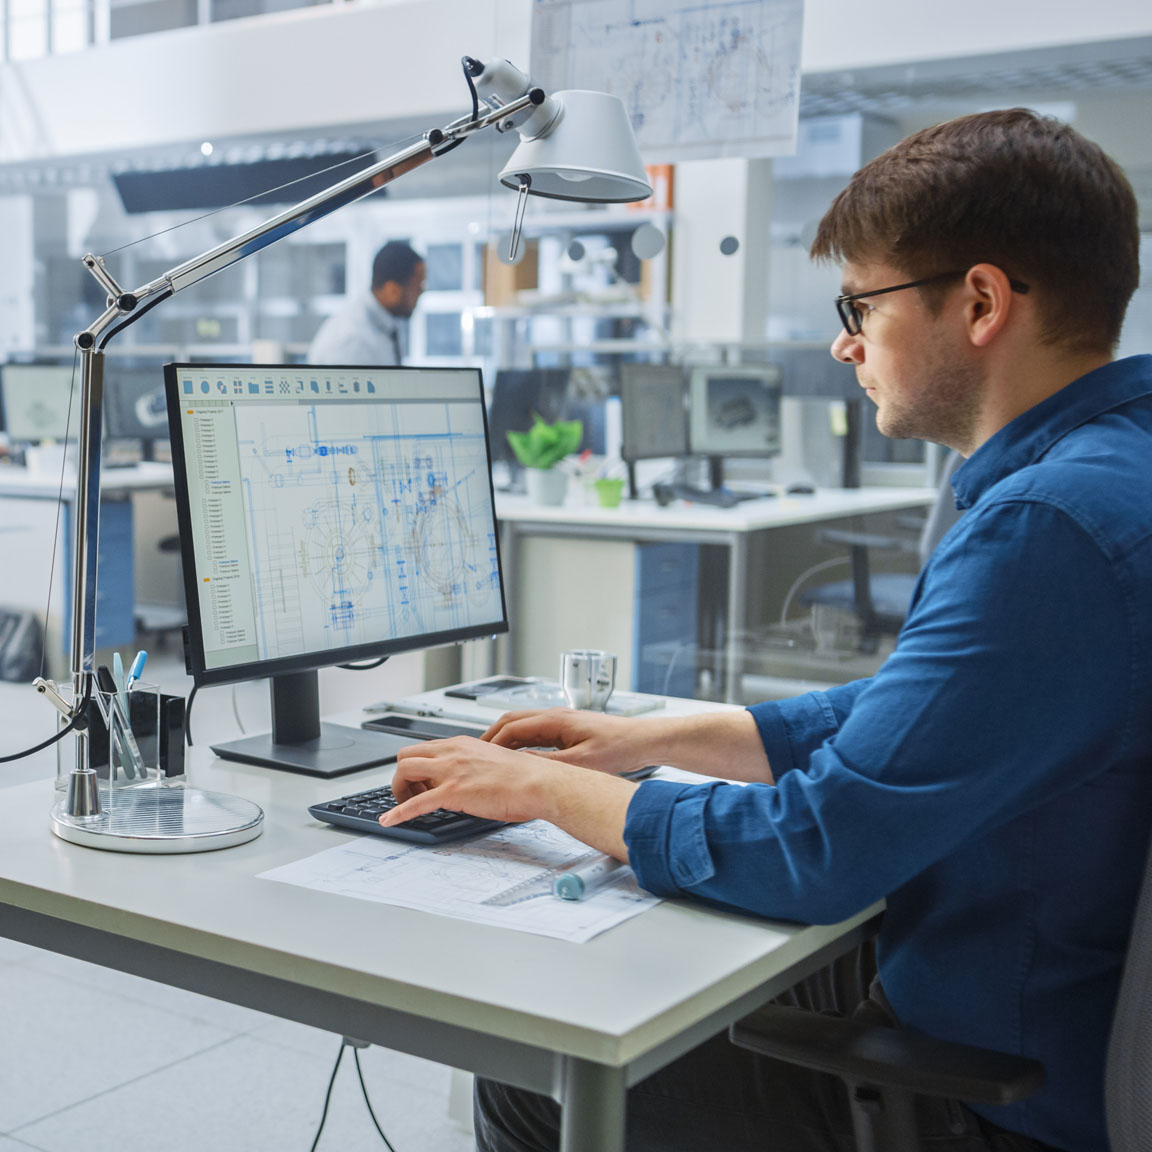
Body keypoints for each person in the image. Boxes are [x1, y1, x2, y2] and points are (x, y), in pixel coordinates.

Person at [383, 109, 1152, 1152]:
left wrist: (548, 790)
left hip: (983, 1095)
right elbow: (916, 716)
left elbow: (820, 848)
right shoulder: (1117, 475)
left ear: (979, 302)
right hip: (1033, 1001)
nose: (845, 342)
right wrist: (656, 741)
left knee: (535, 1074)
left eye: (861, 305)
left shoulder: (1043, 533)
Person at [307, 241, 425, 365]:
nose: (422, 292)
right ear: (393, 290)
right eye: (418, 286)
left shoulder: (385, 324)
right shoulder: (352, 341)